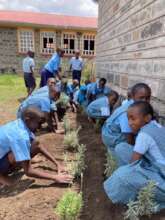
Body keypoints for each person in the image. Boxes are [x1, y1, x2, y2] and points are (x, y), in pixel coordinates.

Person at [104, 101, 165, 211]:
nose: (130, 122)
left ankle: (149, 202)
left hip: (162, 179)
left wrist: (126, 175)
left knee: (124, 175)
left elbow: (132, 163)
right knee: (122, 148)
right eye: (128, 119)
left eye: (133, 118)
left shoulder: (144, 134)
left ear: (147, 118)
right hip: (157, 169)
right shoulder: (158, 126)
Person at [0, 107, 73, 186]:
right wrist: (55, 177)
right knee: (15, 154)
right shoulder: (20, 136)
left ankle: (16, 165)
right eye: (38, 123)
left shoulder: (21, 124)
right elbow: (28, 171)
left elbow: (38, 146)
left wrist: (58, 164)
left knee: (33, 143)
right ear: (28, 120)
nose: (40, 127)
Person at [101, 83, 151, 154]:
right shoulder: (128, 112)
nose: (145, 101)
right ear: (133, 97)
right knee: (124, 151)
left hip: (116, 131)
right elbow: (129, 138)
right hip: (111, 135)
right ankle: (113, 155)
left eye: (148, 98)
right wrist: (136, 151)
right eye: (141, 97)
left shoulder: (137, 106)